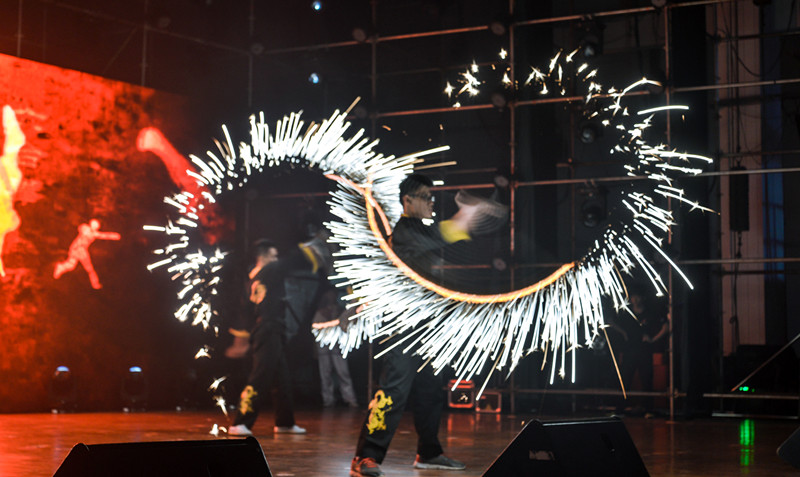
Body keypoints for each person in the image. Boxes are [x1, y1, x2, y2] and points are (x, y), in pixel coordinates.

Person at [351, 173, 488, 477]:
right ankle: (366, 456)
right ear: (408, 200)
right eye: (426, 197)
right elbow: (446, 233)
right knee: (394, 390)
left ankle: (429, 452)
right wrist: (467, 214)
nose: (431, 203)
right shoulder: (405, 232)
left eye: (431, 197)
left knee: (430, 389)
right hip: (402, 325)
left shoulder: (418, 231)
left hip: (426, 325)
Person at [228, 237, 329, 436]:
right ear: (264, 256)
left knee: (282, 380)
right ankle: (241, 422)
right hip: (269, 330)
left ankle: (285, 422)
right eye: (274, 256)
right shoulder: (270, 270)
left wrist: (241, 339)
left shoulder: (252, 278)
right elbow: (291, 260)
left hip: (269, 330)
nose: (276, 259)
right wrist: (313, 245)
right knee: (260, 376)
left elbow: (245, 313)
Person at [313, 286, 359, 408]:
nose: (332, 296)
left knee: (343, 373)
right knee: (325, 374)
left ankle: (350, 399)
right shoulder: (320, 312)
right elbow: (315, 329)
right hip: (323, 347)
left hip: (337, 347)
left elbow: (343, 322)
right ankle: (328, 400)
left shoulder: (339, 310)